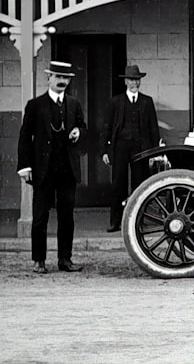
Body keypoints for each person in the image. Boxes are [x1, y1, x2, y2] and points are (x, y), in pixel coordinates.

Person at [16, 60, 87, 273]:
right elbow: (24, 136)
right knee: (40, 217)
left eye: (65, 78)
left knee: (67, 217)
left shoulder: (74, 104)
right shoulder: (35, 105)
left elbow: (83, 128)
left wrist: (78, 132)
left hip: (67, 169)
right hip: (43, 170)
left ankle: (65, 259)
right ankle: (39, 260)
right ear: (49, 78)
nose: (62, 81)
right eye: (58, 77)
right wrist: (24, 167)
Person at [101, 64, 163, 233]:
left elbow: (153, 128)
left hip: (140, 148)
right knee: (118, 185)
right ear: (125, 82)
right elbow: (107, 127)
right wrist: (105, 150)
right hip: (120, 147)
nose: (134, 83)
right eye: (131, 80)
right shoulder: (116, 101)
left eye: (136, 80)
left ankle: (139, 221)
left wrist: (154, 150)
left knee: (140, 184)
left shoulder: (147, 101)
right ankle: (115, 222)